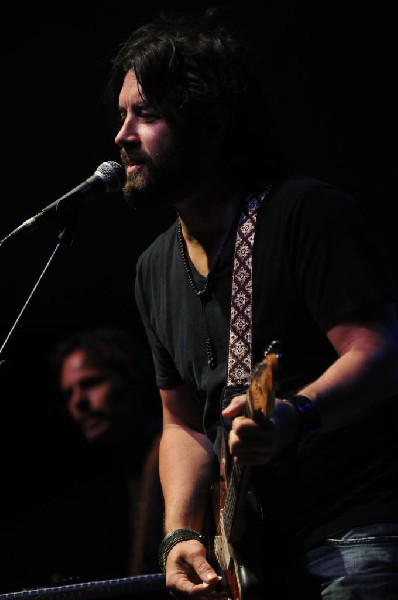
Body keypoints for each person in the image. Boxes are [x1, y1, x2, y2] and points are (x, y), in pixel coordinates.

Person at [107, 5, 398, 599]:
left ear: (211, 126)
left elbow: (380, 352)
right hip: (253, 557)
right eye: (122, 115)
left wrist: (298, 413)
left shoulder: (306, 213)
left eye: (148, 115)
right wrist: (180, 533)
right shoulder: (153, 269)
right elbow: (182, 423)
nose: (122, 136)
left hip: (354, 533)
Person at [49, 327, 166, 585]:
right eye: (68, 393)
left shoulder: (170, 452)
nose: (78, 402)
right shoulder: (121, 471)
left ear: (131, 381)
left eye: (90, 383)